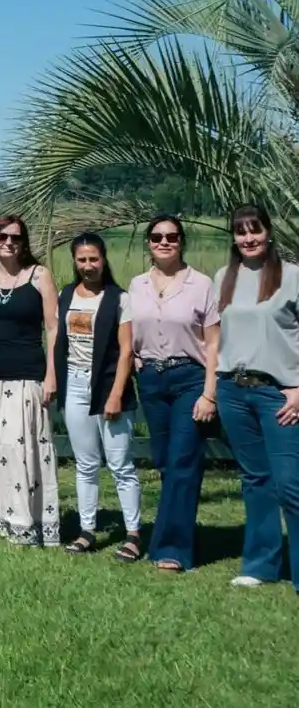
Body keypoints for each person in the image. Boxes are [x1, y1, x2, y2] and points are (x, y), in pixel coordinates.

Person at [212, 203, 299, 591]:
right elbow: (215, 337)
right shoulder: (224, 277)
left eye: (255, 230)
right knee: (256, 480)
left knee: (290, 484)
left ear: (268, 231)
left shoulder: (292, 277)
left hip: (278, 394)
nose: (248, 238)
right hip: (234, 391)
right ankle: (261, 565)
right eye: (241, 232)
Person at [125, 214, 219, 573]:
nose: (164, 242)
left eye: (172, 236)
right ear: (148, 243)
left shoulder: (202, 284)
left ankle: (172, 550)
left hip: (189, 379)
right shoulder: (136, 285)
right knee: (165, 460)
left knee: (182, 461)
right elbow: (128, 330)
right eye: (157, 237)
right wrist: (135, 359)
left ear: (182, 241)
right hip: (151, 380)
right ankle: (178, 534)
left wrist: (209, 393)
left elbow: (213, 343)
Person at [0, 216, 60, 547]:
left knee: (22, 448)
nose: (9, 242)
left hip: (25, 375)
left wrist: (51, 374)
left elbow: (53, 328)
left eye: (16, 237)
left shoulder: (39, 276)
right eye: (2, 236)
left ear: (24, 242)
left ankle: (26, 519)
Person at [55, 232, 141, 561]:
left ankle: (133, 534)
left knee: (120, 464)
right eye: (82, 260)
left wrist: (116, 395)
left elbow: (126, 351)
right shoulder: (66, 295)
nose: (88, 265)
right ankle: (87, 531)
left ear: (104, 260)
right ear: (74, 262)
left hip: (108, 386)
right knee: (86, 464)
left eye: (94, 259)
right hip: (74, 386)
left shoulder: (119, 298)